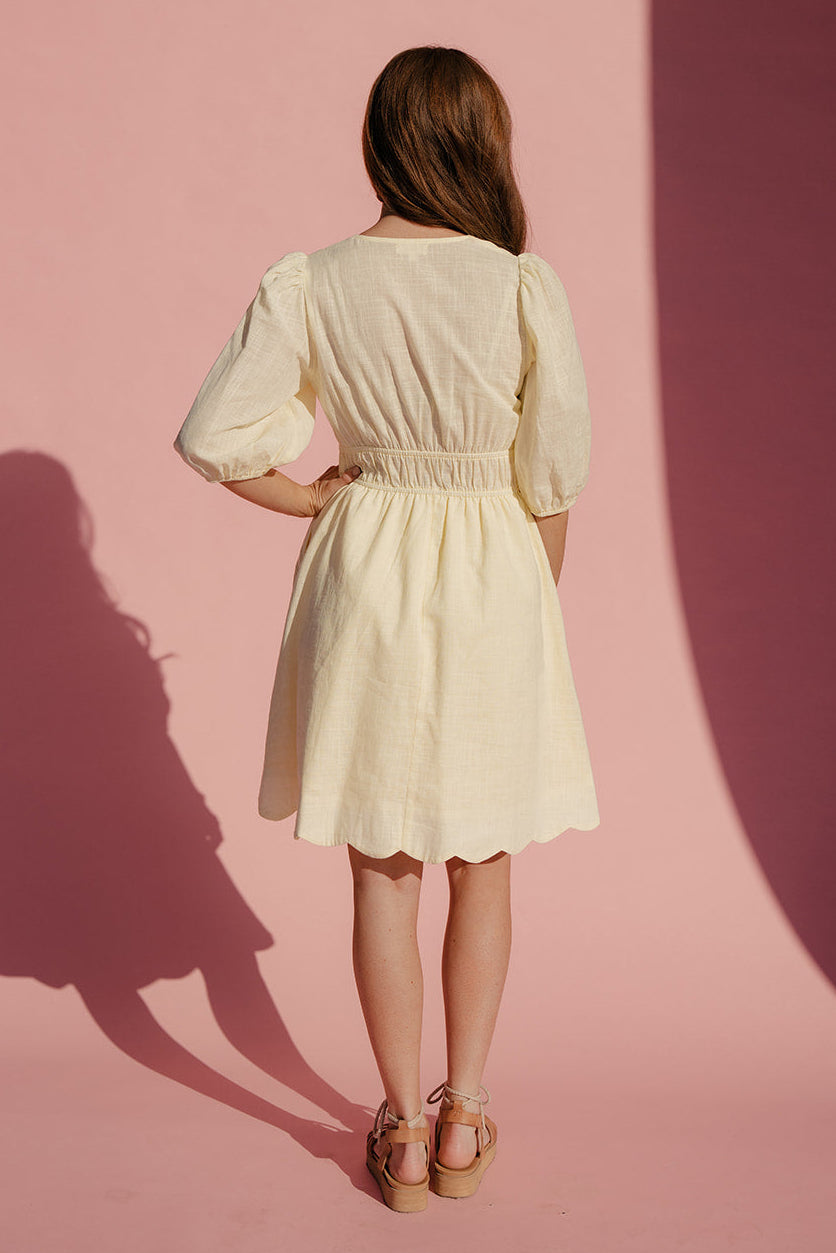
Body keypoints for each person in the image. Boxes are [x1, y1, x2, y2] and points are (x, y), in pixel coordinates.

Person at [173, 45, 600, 1213]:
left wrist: (314, 495)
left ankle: (400, 1132)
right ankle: (466, 1118)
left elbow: (217, 435)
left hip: (365, 565)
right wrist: (528, 606)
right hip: (493, 567)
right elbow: (551, 472)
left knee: (383, 869)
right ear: (481, 142)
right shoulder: (519, 284)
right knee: (483, 858)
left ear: (380, 143)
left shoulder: (314, 280)